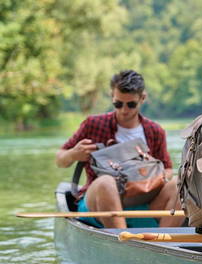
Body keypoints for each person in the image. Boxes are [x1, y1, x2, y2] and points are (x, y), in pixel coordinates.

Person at [56, 70, 184, 228]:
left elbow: (168, 168)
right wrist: (73, 154)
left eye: (131, 104)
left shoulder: (154, 131)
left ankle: (164, 244)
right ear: (112, 96)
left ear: (142, 98)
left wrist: (154, 171)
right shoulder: (93, 124)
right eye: (118, 104)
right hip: (100, 201)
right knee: (106, 182)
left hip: (144, 200)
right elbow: (60, 159)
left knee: (180, 183)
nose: (124, 110)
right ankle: (122, 241)